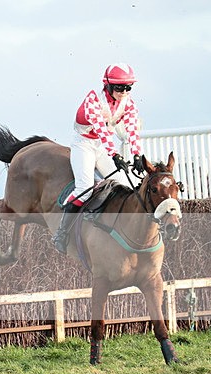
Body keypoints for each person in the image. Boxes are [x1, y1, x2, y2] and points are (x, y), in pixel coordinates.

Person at [52, 63, 145, 253]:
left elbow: (132, 130)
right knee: (85, 188)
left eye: (128, 87)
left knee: (125, 184)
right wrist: (115, 155)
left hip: (101, 147)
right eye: (119, 87)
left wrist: (137, 156)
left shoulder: (128, 103)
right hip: (84, 144)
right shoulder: (94, 99)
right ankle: (61, 232)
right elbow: (102, 132)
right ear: (107, 85)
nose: (124, 92)